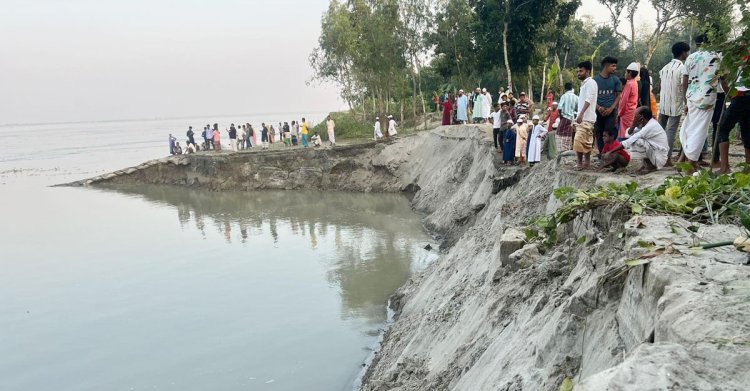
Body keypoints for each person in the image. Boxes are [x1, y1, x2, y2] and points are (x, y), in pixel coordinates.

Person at [678, 33, 722, 171]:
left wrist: (686, 99)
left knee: (691, 128)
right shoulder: (716, 56)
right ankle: (690, 163)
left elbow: (684, 80)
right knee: (700, 131)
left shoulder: (691, 57)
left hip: (691, 96)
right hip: (707, 98)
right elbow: (723, 78)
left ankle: (690, 161)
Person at [607, 106, 669, 173]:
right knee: (636, 140)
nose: (634, 117)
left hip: (659, 158)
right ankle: (647, 164)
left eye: (635, 115)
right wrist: (633, 125)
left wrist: (610, 152)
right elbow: (628, 133)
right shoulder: (645, 124)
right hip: (655, 153)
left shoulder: (650, 126)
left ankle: (651, 165)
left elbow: (630, 140)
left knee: (637, 142)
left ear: (641, 117)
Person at [658, 41, 691, 166]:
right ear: (683, 53)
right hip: (675, 104)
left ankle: (658, 157)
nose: (687, 54)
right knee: (670, 132)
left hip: (663, 104)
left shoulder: (665, 68)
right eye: (686, 52)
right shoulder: (682, 69)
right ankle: (666, 159)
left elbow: (661, 86)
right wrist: (686, 102)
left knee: (660, 131)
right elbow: (684, 87)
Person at [716, 54, 750, 173]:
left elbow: (722, 77)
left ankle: (724, 168)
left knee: (723, 130)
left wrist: (731, 96)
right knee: (747, 130)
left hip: (739, 96)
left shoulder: (733, 54)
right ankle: (748, 168)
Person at [594, 56, 623, 156]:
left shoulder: (615, 80)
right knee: (599, 133)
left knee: (610, 133)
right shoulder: (595, 80)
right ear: (606, 66)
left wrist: (611, 108)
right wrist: (598, 107)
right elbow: (591, 97)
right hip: (598, 112)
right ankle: (602, 156)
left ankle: (611, 154)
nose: (615, 68)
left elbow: (619, 95)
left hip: (610, 112)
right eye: (613, 66)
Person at [573, 60, 599, 170]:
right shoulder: (584, 84)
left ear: (587, 71)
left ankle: (580, 163)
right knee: (587, 141)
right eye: (578, 71)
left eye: (581, 71)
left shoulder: (591, 83)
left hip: (586, 117)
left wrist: (581, 114)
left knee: (579, 140)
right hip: (586, 117)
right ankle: (586, 163)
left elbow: (589, 99)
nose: (578, 73)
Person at [618, 63, 640, 139]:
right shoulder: (635, 82)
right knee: (629, 133)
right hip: (632, 111)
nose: (625, 74)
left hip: (626, 112)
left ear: (630, 73)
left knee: (624, 135)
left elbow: (623, 101)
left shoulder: (629, 84)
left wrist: (620, 113)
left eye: (626, 72)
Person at [557, 82, 578, 153]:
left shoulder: (564, 96)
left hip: (565, 117)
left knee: (560, 133)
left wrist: (561, 117)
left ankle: (562, 150)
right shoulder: (576, 97)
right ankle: (569, 148)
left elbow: (559, 108)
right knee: (569, 133)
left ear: (565, 88)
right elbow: (578, 109)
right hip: (572, 118)